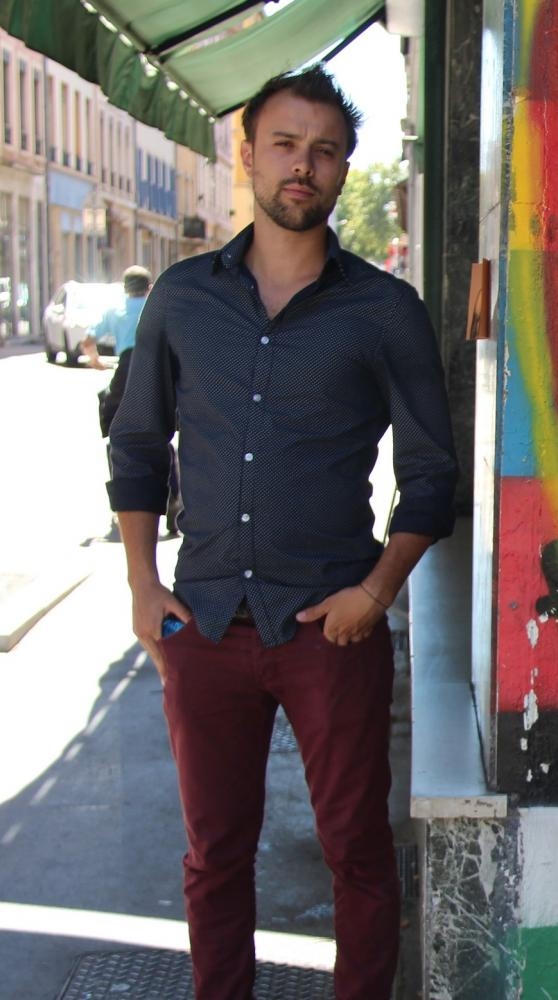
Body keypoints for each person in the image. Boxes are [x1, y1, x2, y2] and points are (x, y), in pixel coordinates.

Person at [107, 64, 458, 1000]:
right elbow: (137, 445)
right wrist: (142, 586)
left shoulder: (385, 311)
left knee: (357, 852)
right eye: (286, 144)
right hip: (204, 620)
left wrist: (376, 593)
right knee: (213, 855)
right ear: (249, 155)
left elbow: (432, 475)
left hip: (330, 629)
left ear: (344, 170)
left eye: (326, 151)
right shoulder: (182, 298)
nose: (304, 165)